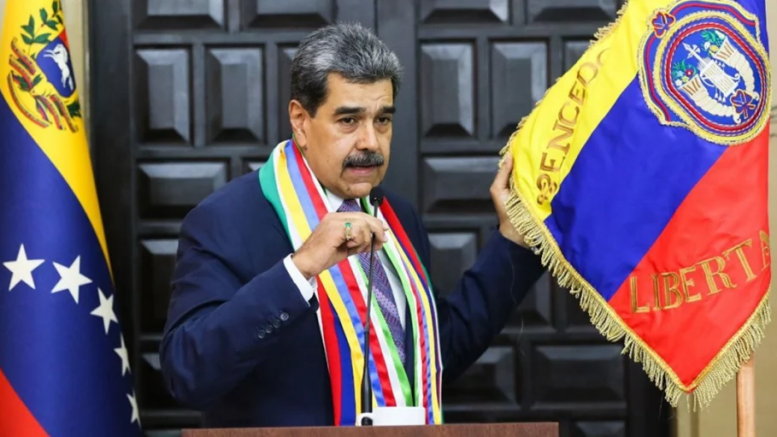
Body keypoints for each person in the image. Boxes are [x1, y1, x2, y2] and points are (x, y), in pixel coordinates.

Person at [159, 22, 545, 428]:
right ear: (300, 120)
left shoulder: (397, 216)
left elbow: (434, 355)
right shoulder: (226, 220)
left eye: (382, 120)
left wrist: (512, 242)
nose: (371, 142)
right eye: (348, 121)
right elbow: (187, 373)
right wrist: (298, 271)